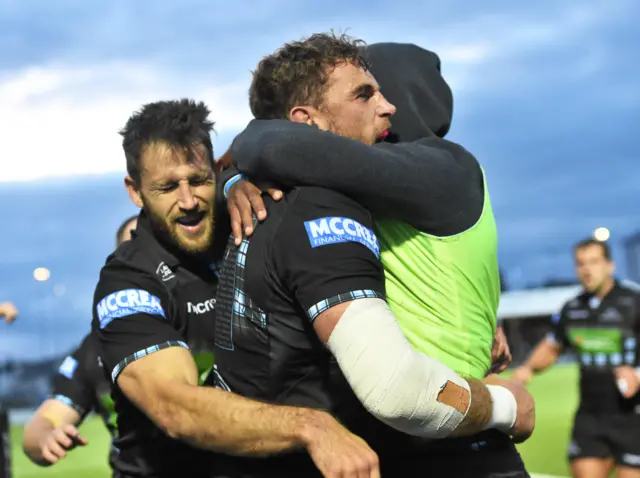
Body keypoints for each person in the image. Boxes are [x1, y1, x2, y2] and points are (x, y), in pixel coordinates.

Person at [212, 33, 534, 477]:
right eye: (366, 93)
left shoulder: (446, 168)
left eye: (382, 89)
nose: (386, 106)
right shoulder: (348, 192)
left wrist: (504, 404)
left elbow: (268, 143)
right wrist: (231, 181)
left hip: (458, 438)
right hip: (398, 437)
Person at [91, 99, 381, 478]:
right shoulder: (127, 282)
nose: (188, 200)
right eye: (166, 187)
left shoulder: (255, 219)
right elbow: (175, 408)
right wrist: (312, 427)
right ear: (135, 191)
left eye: (198, 180)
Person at [512, 238, 640, 478]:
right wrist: (527, 369)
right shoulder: (572, 308)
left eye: (593, 262)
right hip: (589, 418)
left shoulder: (634, 302)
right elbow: (552, 346)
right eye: (581, 263)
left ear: (610, 265)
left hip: (632, 418)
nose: (587, 269)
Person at [22, 215, 137, 472]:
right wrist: (46, 437)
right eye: (133, 250)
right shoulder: (96, 347)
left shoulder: (216, 321)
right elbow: (41, 425)